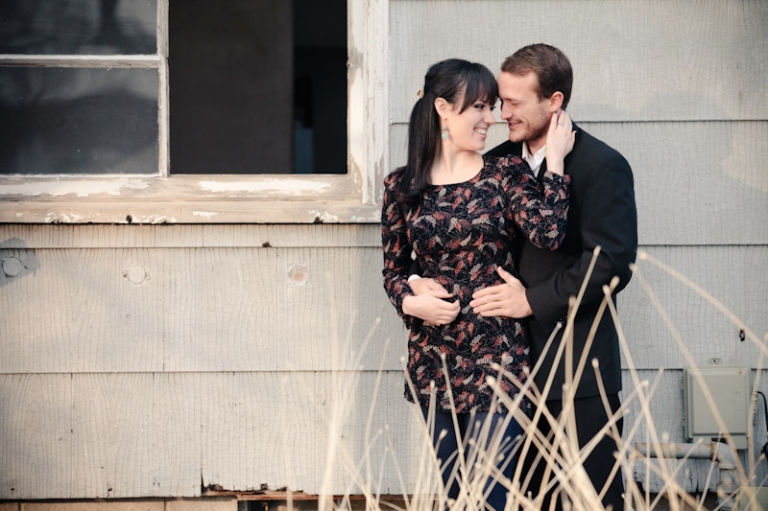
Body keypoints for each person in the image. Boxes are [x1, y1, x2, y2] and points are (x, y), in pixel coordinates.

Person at [412, 44, 636, 510]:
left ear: (553, 102)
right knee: (520, 500)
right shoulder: (491, 164)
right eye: (499, 100)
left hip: (576, 369)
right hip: (499, 371)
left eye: (514, 102)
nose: (500, 112)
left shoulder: (601, 165)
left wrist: (532, 301)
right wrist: (417, 283)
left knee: (595, 499)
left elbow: (611, 262)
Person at [381, 58, 574, 511]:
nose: (493, 119)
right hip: (434, 356)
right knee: (454, 495)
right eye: (481, 108)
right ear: (444, 109)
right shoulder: (401, 186)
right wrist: (412, 301)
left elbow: (549, 232)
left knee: (490, 494)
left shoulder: (502, 174)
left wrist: (558, 161)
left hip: (497, 352)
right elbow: (392, 270)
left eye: (493, 108)